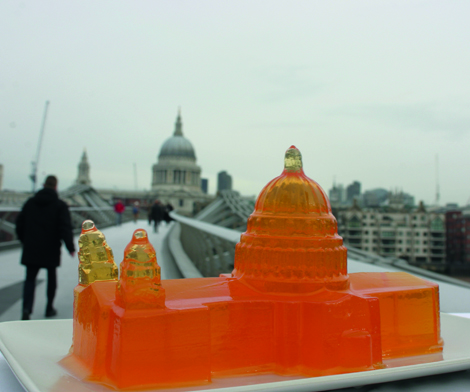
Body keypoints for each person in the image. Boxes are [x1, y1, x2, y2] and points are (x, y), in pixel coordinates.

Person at [15, 175, 75, 320]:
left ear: (43, 185)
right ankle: (49, 308)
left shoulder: (30, 202)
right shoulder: (60, 205)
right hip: (51, 247)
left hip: (31, 247)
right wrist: (70, 247)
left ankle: (27, 309)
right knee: (51, 278)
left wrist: (25, 240)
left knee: (29, 279)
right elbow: (65, 228)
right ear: (56, 187)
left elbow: (19, 224)